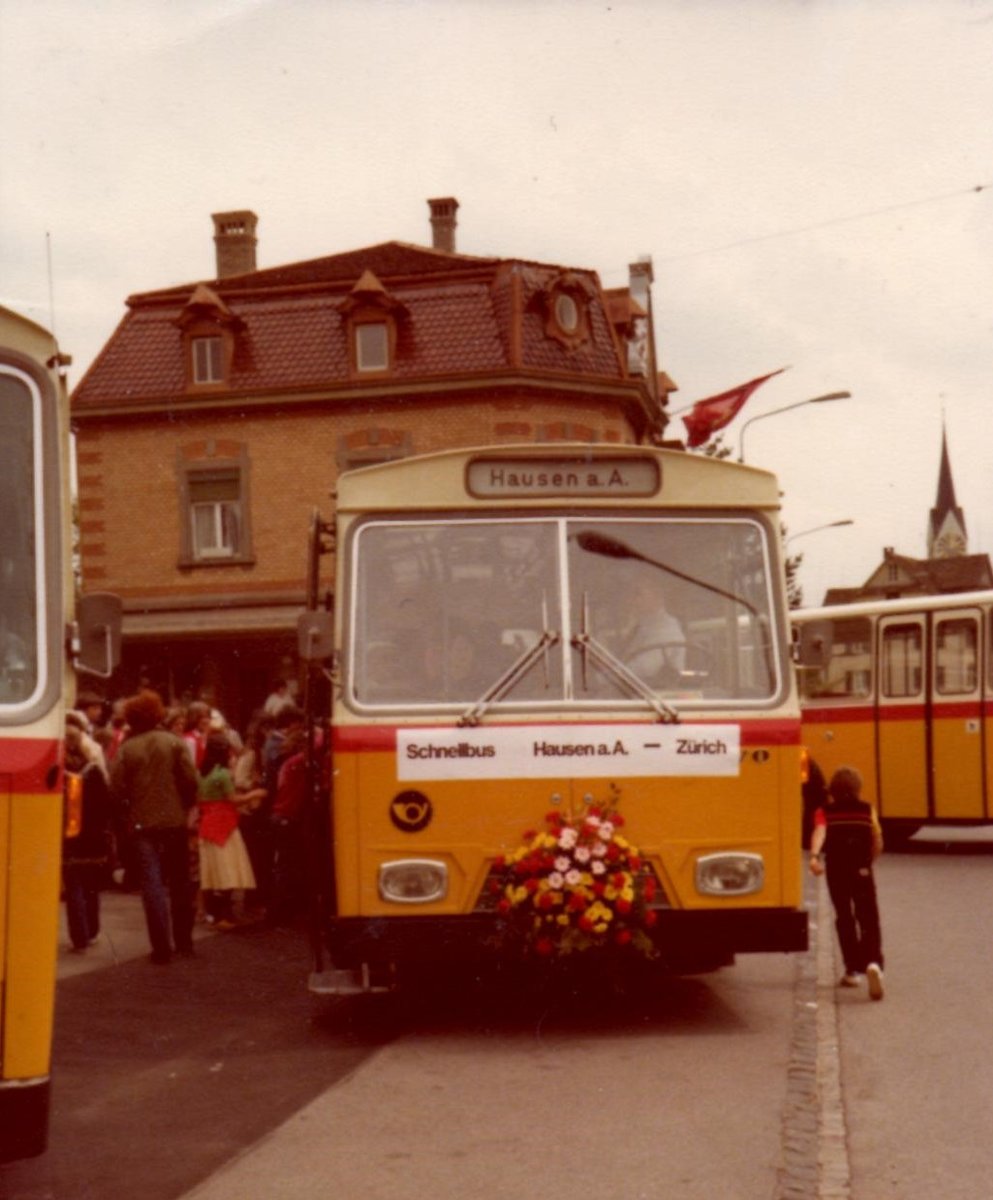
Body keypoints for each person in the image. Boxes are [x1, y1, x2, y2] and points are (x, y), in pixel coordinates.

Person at [109, 689, 200, 964]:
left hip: (140, 825)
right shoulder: (173, 743)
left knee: (153, 885)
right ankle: (184, 941)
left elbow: (116, 790)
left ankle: (161, 949)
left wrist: (126, 817)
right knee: (180, 883)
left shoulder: (127, 749)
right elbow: (190, 780)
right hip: (174, 821)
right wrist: (186, 807)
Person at [809, 765, 885, 1000]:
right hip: (861, 869)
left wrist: (814, 857)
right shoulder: (867, 810)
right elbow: (877, 840)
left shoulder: (824, 811)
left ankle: (852, 970)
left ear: (832, 789)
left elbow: (820, 832)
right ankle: (873, 962)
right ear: (858, 788)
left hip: (836, 871)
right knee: (868, 916)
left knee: (844, 916)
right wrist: (868, 861)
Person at [62, 716, 113, 952]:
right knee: (92, 885)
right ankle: (92, 930)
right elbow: (106, 805)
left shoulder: (60, 774)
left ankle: (78, 936)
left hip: (69, 838)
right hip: (92, 837)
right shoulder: (94, 772)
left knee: (73, 886)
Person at [197, 734, 257, 928]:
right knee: (227, 870)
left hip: (208, 823)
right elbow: (233, 799)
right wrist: (255, 794)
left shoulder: (202, 772)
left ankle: (214, 915)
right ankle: (224, 916)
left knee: (214, 871)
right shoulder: (222, 774)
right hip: (225, 825)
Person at [614, 574, 686, 680]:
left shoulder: (667, 628)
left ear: (658, 597)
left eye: (638, 594)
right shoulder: (641, 626)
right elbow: (624, 659)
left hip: (655, 691)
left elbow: (646, 668)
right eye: (631, 595)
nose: (633, 600)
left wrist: (603, 679)